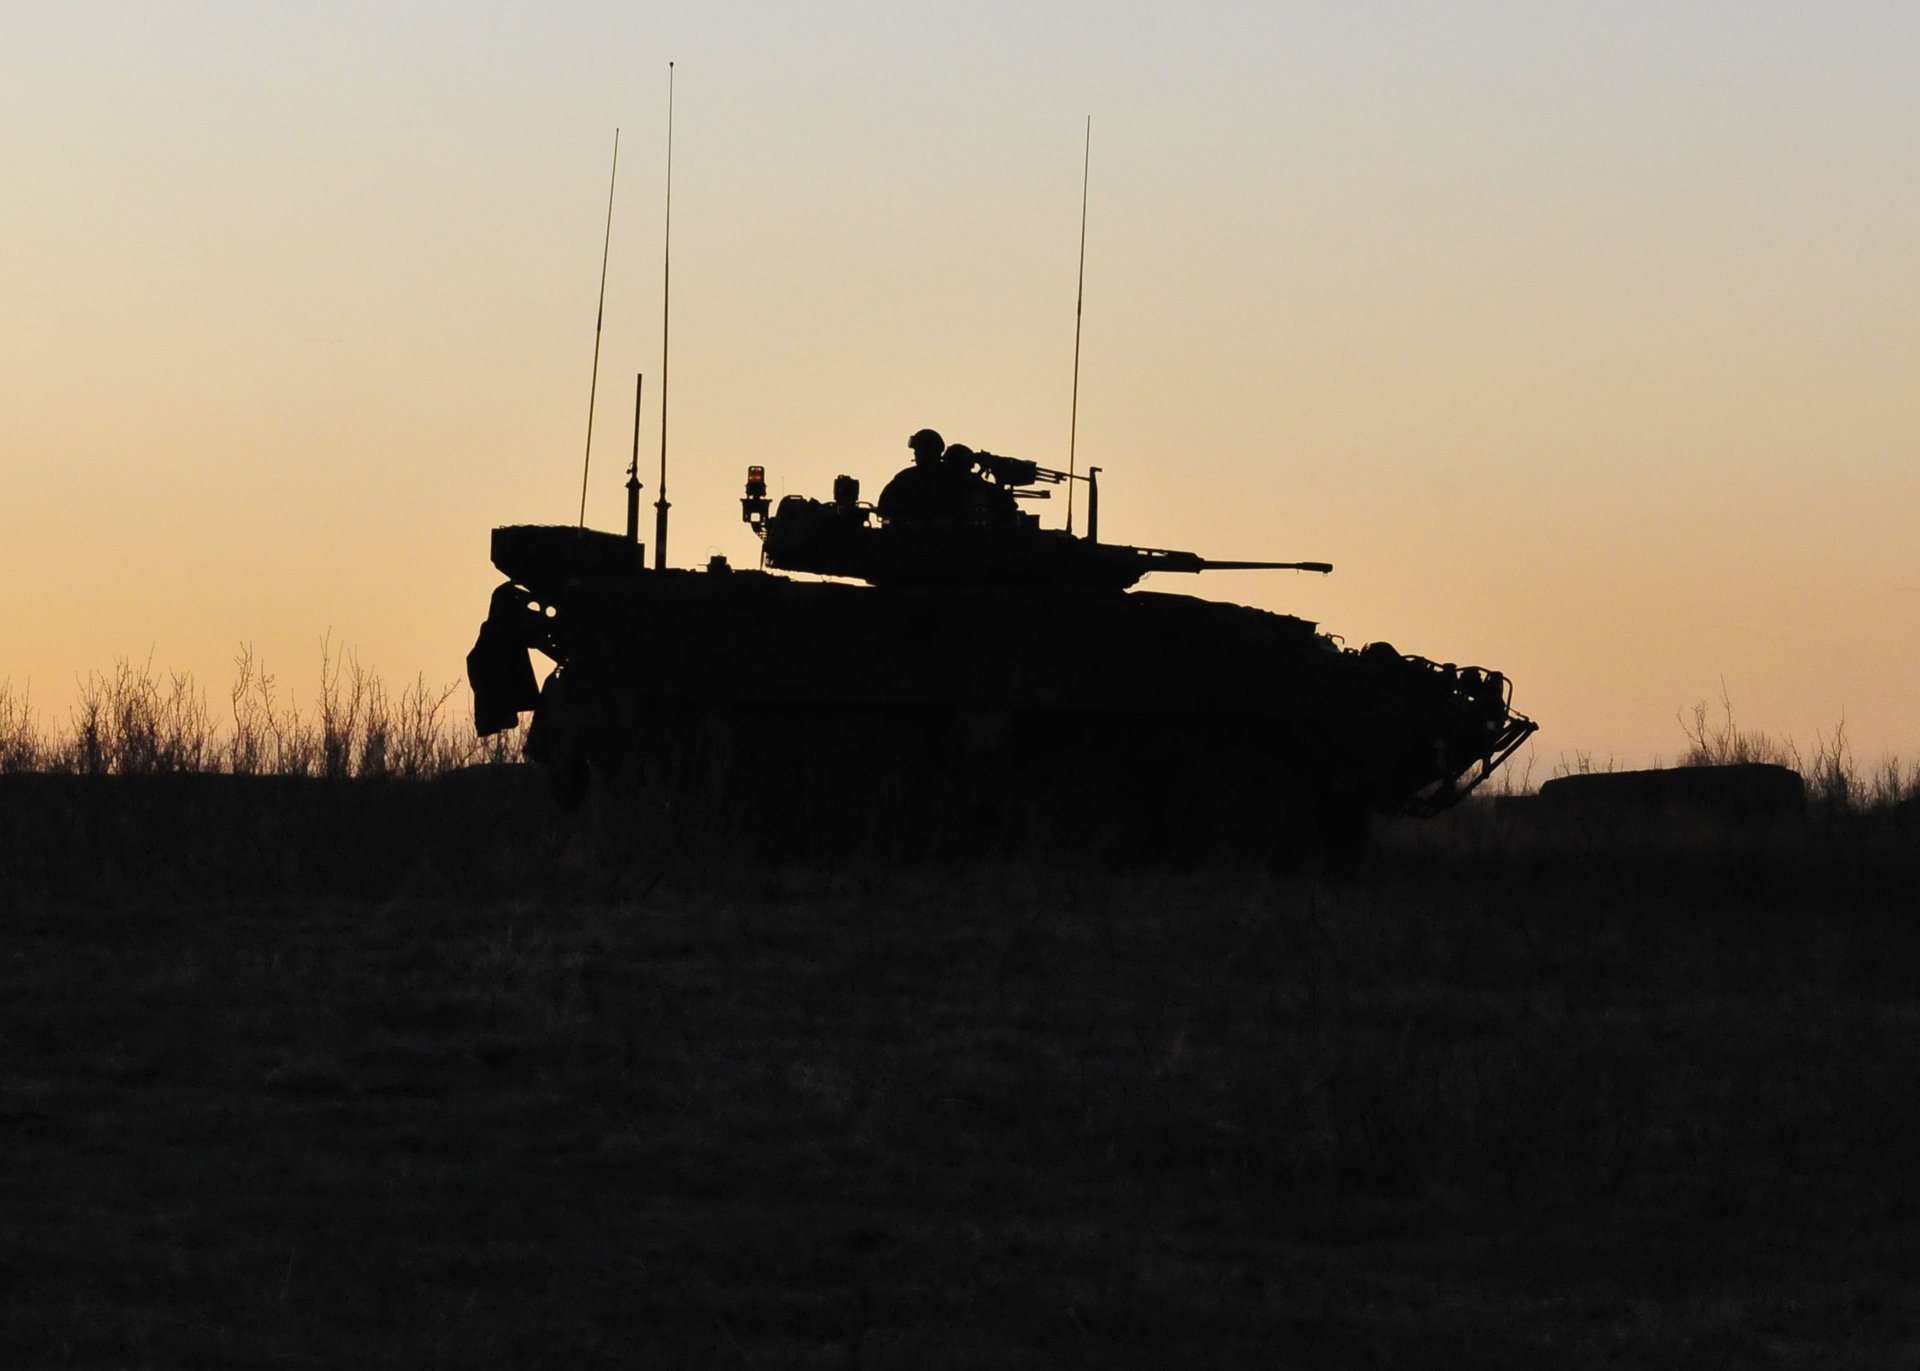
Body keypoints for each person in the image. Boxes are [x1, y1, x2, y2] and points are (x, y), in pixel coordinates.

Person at [877, 428, 956, 523]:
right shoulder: (906, 477)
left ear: (928, 451)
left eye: (918, 450)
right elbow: (884, 506)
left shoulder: (907, 477)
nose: (915, 453)